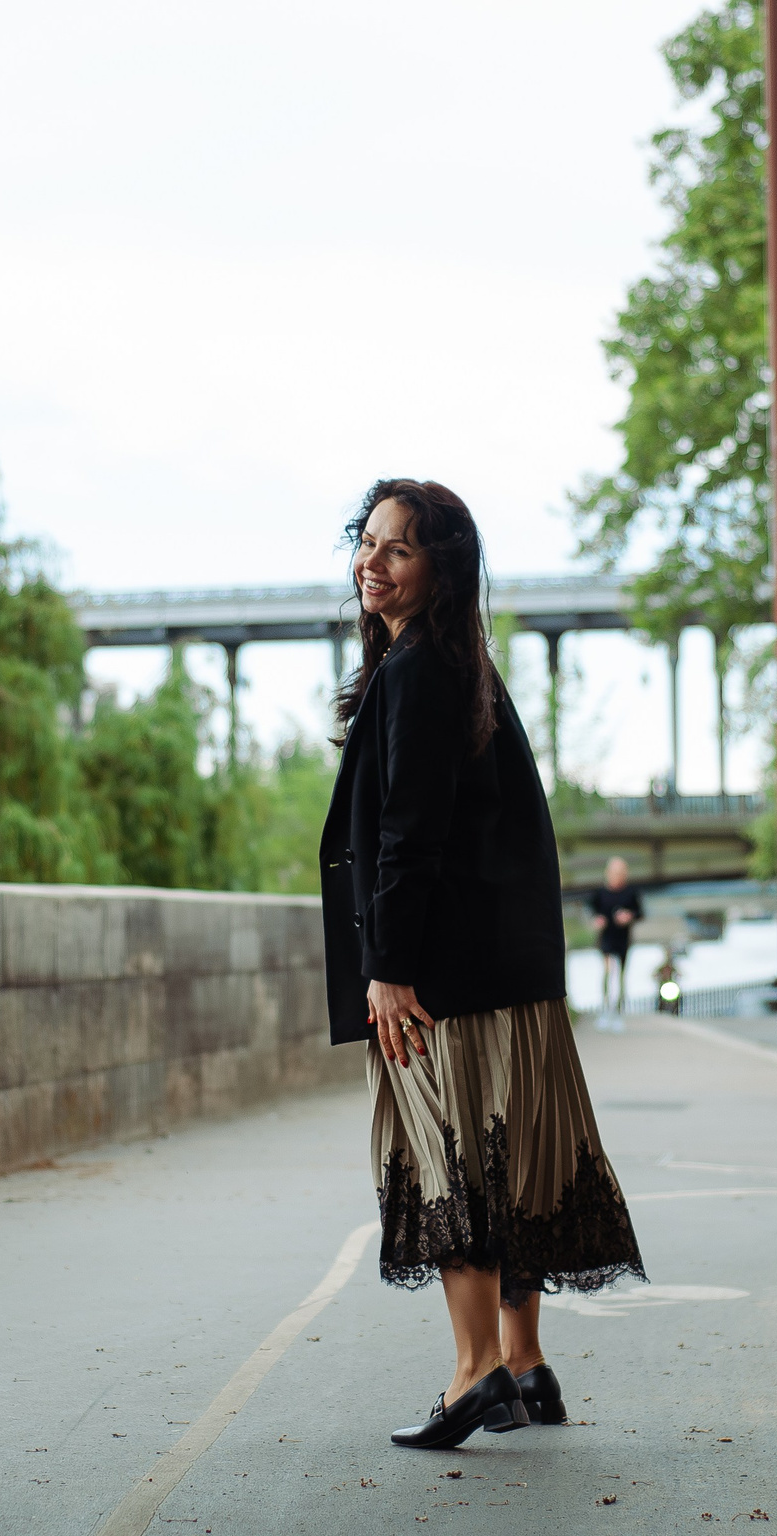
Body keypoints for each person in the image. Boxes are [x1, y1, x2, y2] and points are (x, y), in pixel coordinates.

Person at [319, 478, 647, 1451]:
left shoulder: (417, 670)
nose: (372, 563)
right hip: (509, 967)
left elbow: (406, 838)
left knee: (449, 1158)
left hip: (444, 974)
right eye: (367, 543)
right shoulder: (462, 666)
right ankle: (523, 1361)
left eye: (397, 549)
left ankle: (473, 1377)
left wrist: (388, 965)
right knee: (508, 1157)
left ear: (440, 569)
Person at [588, 857, 644, 1030]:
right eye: (614, 872)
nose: (617, 876)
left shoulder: (631, 893)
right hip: (606, 937)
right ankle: (605, 1009)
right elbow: (591, 911)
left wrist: (629, 917)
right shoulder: (600, 893)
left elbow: (640, 913)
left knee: (621, 975)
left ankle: (618, 1012)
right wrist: (596, 920)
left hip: (623, 939)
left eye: (621, 873)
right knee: (606, 972)